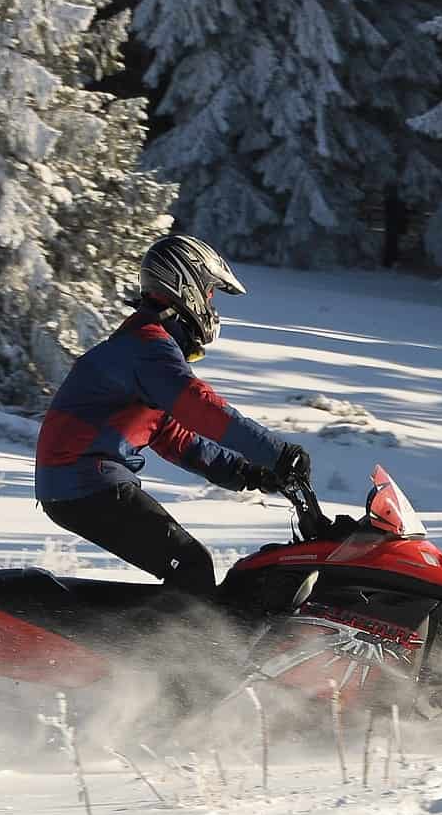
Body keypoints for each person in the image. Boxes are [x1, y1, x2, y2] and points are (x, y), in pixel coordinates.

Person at [34, 235, 312, 597]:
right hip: (84, 480)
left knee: (188, 567)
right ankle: (164, 654)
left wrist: (247, 472)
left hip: (80, 481)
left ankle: (152, 644)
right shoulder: (148, 347)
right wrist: (277, 453)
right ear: (187, 285)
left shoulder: (144, 344)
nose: (212, 305)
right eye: (210, 293)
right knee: (191, 565)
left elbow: (173, 435)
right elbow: (201, 408)